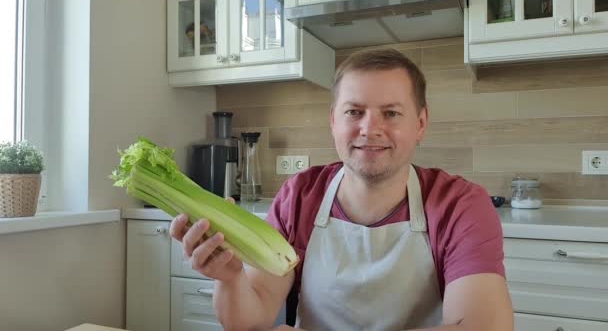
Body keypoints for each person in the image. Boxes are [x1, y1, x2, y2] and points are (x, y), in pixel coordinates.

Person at [170, 48, 514, 331]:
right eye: (354, 112)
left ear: (420, 124)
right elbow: (250, 319)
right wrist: (230, 279)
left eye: (391, 113)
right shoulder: (300, 197)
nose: (369, 129)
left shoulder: (459, 205)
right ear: (333, 120)